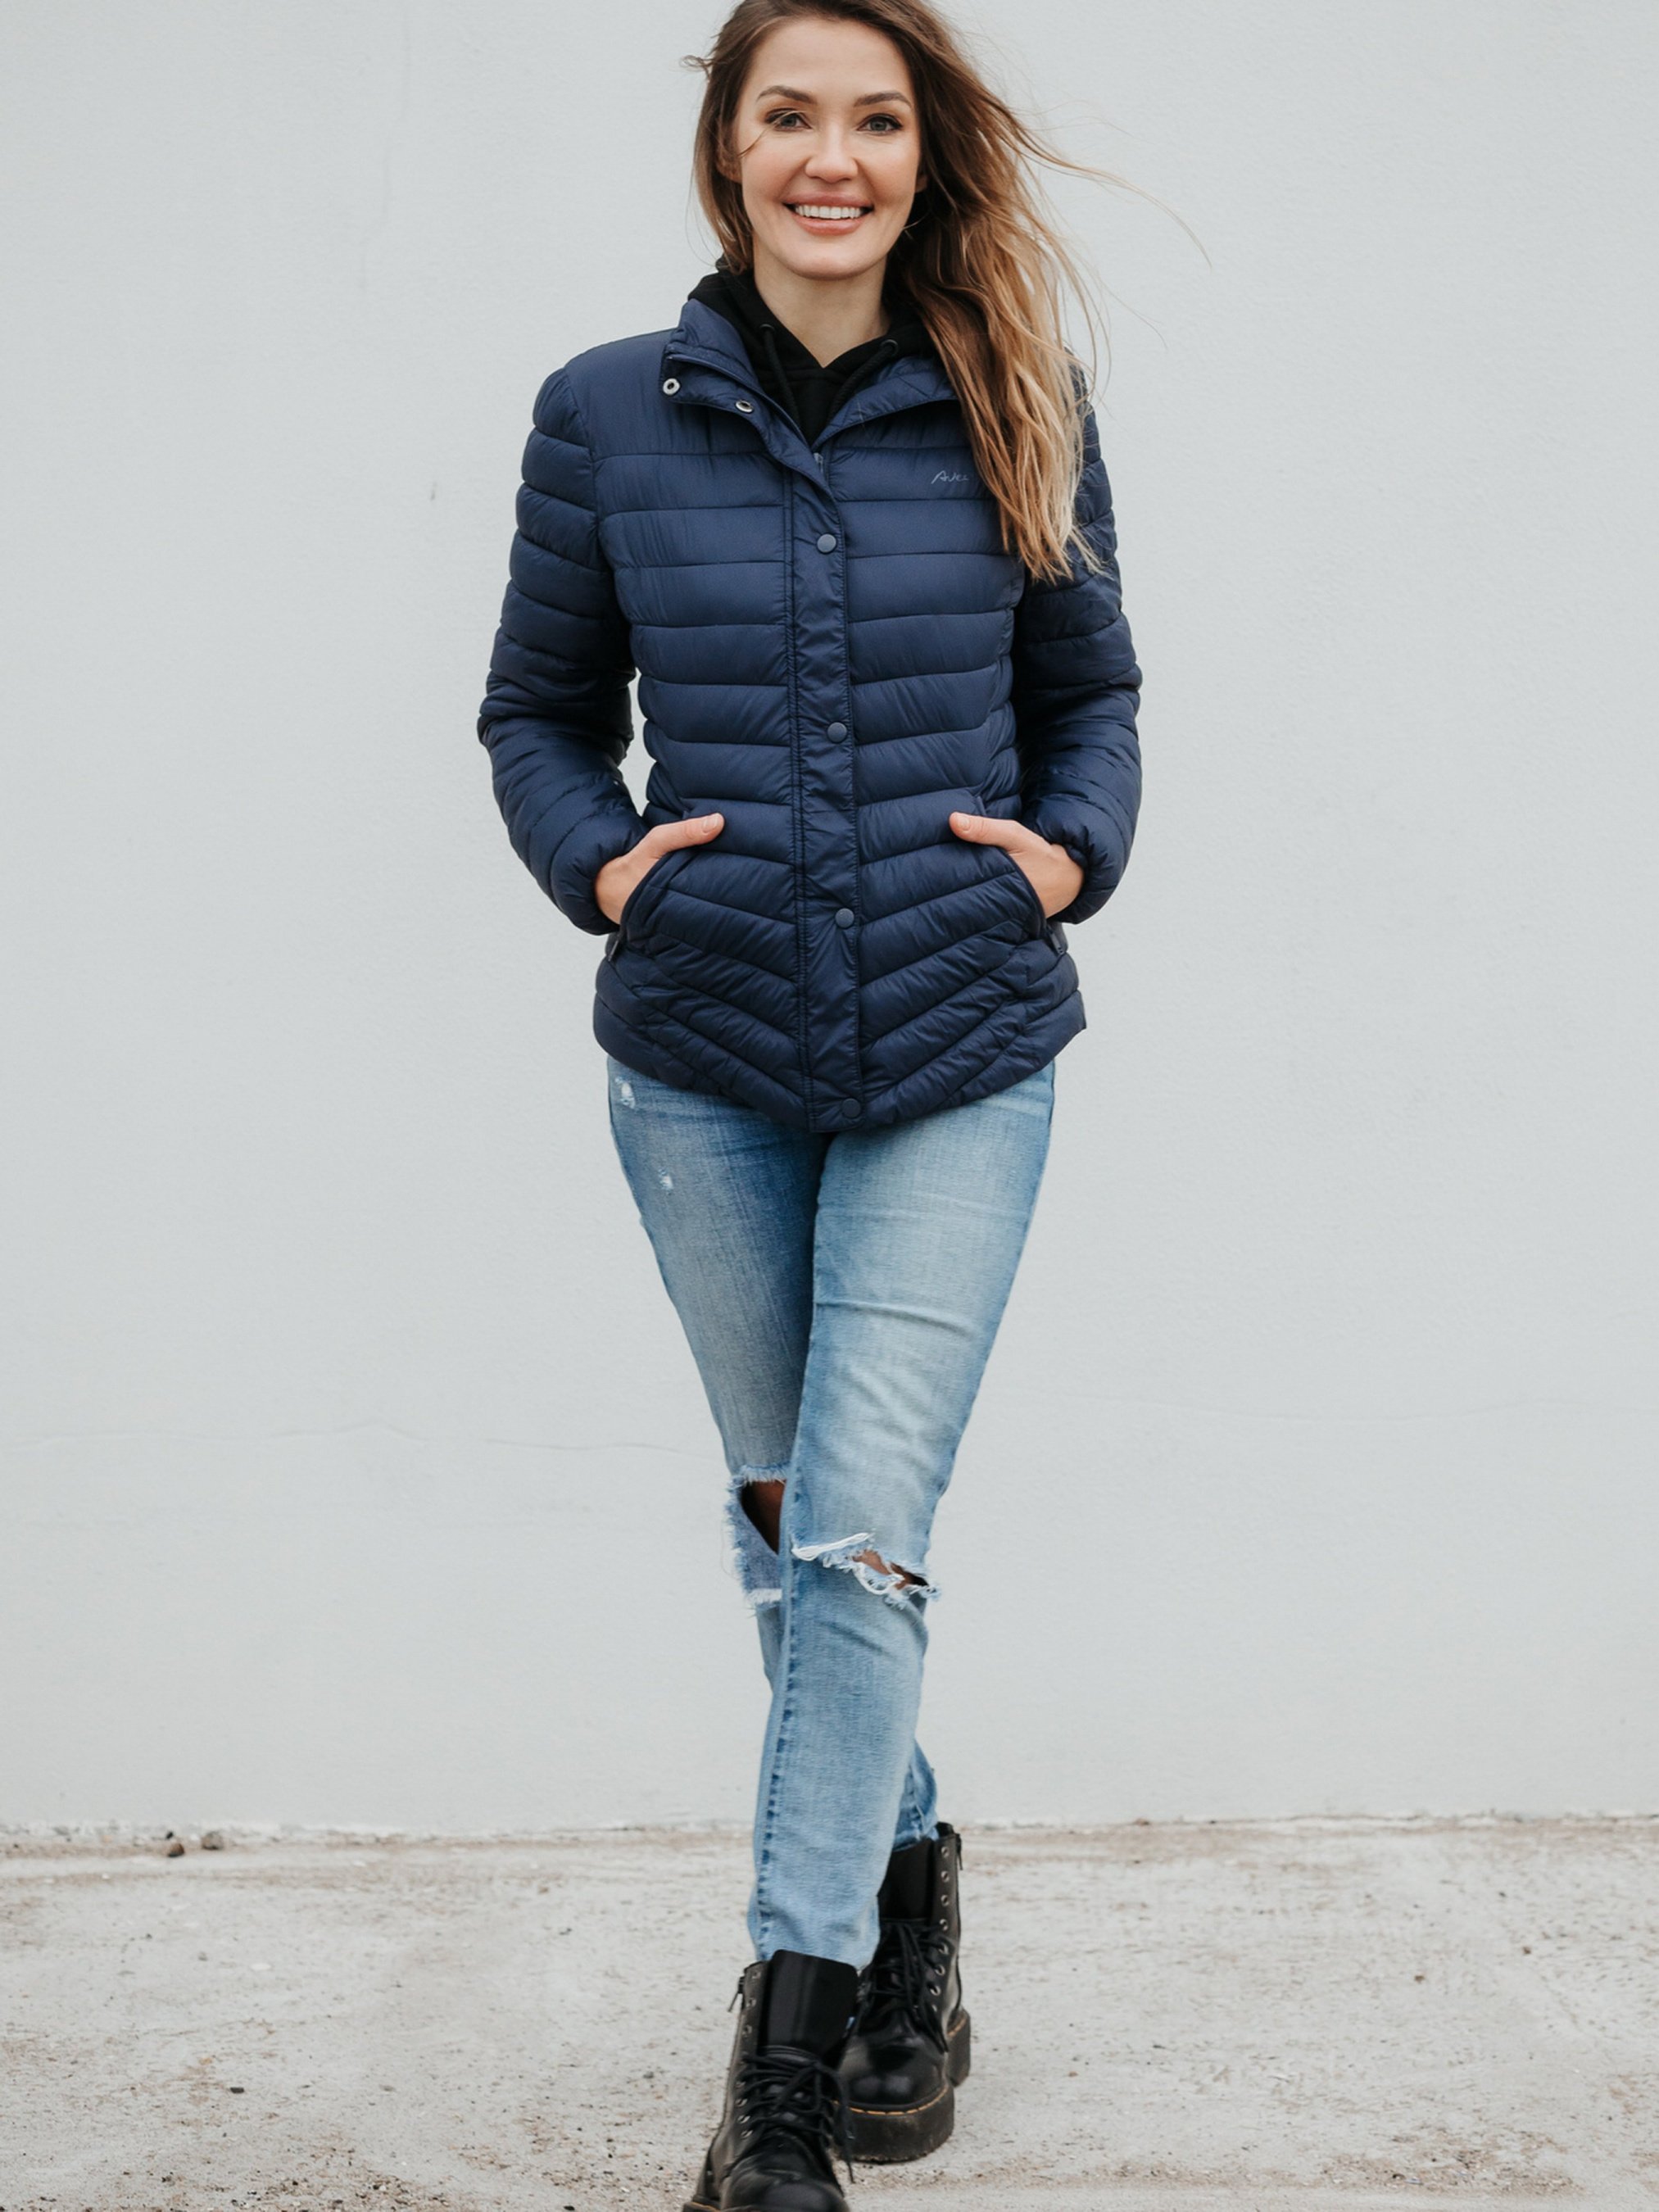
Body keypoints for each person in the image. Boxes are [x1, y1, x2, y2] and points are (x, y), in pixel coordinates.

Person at [477, 4, 1142, 2205]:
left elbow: (1093, 695)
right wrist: (604, 866)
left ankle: (774, 2093)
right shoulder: (603, 411)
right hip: (703, 1059)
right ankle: (912, 1894)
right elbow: (536, 710)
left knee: (857, 1536)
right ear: (729, 150)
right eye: (790, 116)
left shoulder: (1020, 395)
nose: (829, 157)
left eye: (873, 119)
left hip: (963, 1045)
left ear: (921, 155)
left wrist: (1067, 855)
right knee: (791, 1531)